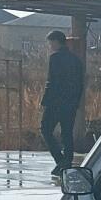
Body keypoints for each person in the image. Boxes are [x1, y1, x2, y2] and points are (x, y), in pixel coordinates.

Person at [40, 29, 85, 178]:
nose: (50, 46)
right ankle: (66, 162)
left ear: (57, 42)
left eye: (51, 42)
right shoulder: (76, 60)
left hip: (55, 103)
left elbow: (51, 82)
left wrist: (45, 101)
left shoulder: (55, 58)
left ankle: (60, 160)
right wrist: (76, 102)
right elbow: (80, 84)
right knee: (67, 134)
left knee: (45, 129)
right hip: (70, 104)